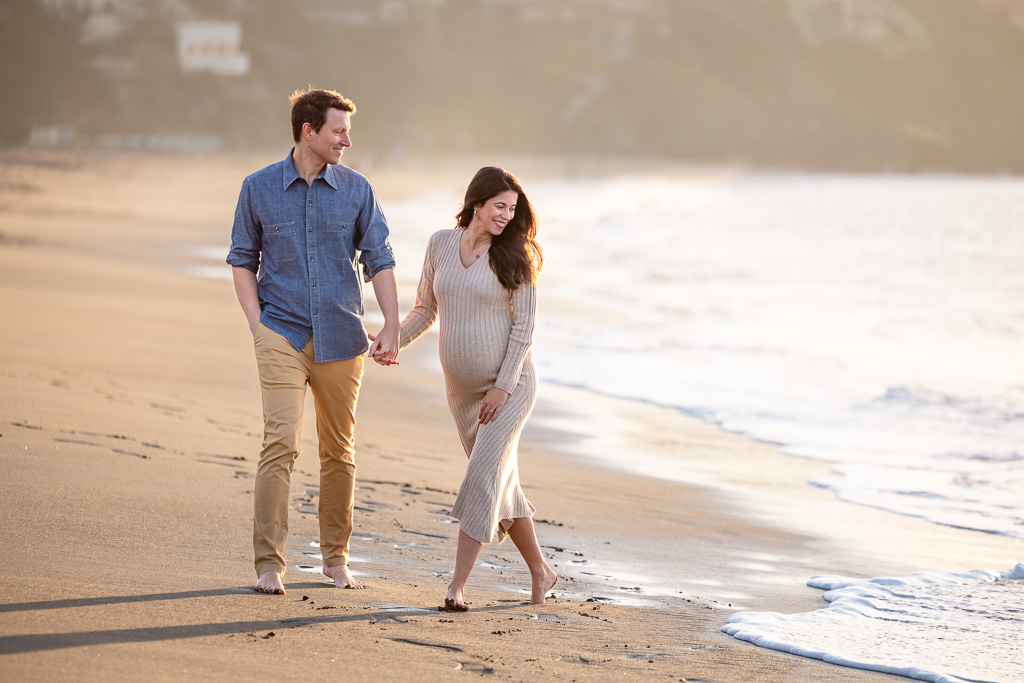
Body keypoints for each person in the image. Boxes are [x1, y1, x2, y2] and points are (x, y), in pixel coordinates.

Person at [226, 88, 400, 595]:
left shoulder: (357, 189)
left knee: (339, 451)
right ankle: (268, 564)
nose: (348, 139)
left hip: (343, 335)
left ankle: (335, 559)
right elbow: (242, 258)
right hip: (280, 331)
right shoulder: (257, 188)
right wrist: (258, 324)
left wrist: (390, 323)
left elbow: (379, 258)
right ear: (309, 132)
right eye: (338, 130)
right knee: (279, 444)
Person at [388, 167, 557, 610]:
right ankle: (541, 571)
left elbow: (524, 330)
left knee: (482, 477)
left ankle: (456, 586)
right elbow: (425, 308)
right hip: (462, 394)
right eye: (499, 206)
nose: (506, 215)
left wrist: (502, 388)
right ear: (476, 203)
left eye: (513, 209)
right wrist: (392, 340)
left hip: (510, 386)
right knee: (501, 483)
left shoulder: (513, 255)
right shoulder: (441, 244)